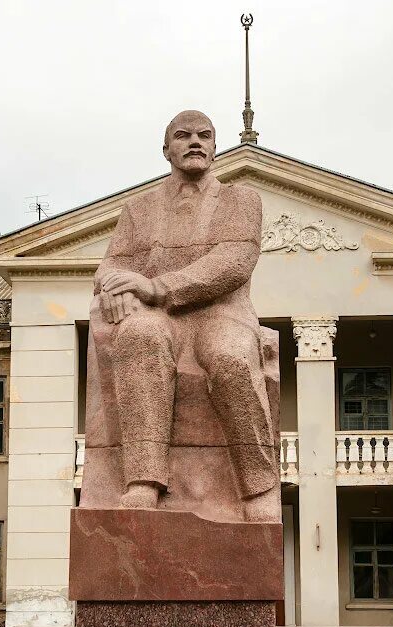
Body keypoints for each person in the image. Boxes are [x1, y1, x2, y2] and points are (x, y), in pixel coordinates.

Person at [91, 110, 278, 521]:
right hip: (158, 316)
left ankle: (258, 485)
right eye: (183, 135)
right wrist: (114, 288)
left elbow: (233, 263)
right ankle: (144, 480)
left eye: (204, 135)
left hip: (221, 311)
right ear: (166, 150)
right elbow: (110, 265)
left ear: (214, 147)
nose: (195, 142)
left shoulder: (241, 200)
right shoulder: (138, 209)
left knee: (230, 361)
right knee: (139, 336)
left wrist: (156, 287)